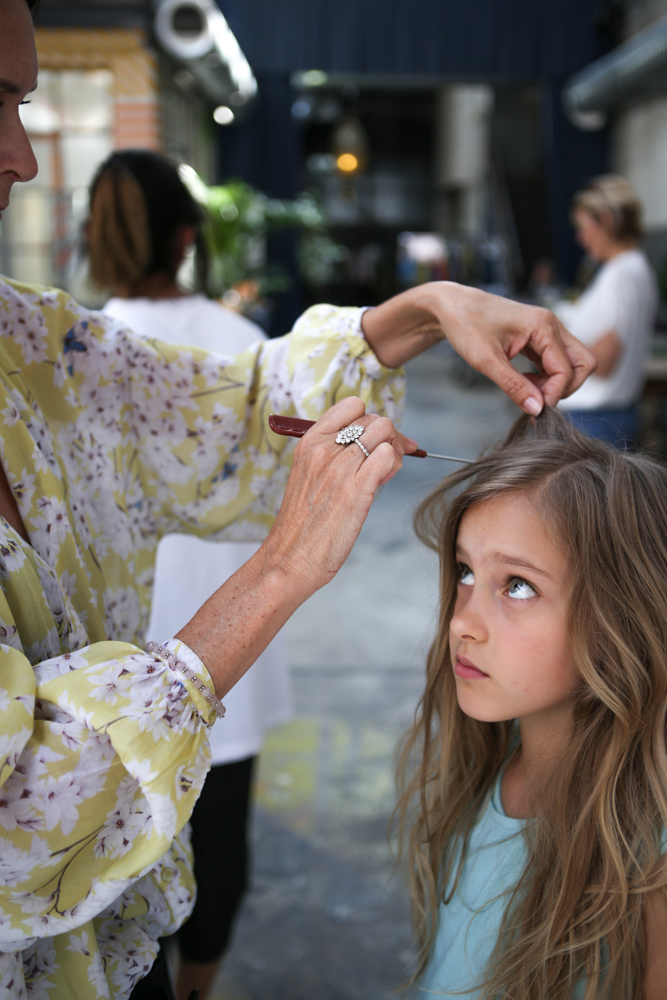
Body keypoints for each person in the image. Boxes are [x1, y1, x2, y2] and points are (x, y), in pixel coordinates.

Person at [0, 0, 596, 995]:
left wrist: (420, 311)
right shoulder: (462, 809)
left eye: (520, 585)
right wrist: (278, 571)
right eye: (460, 573)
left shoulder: (28, 346)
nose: (20, 157)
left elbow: (227, 416)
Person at [87, 148, 291, 1000]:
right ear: (186, 237)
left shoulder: (72, 348)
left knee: (119, 853)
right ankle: (199, 989)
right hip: (230, 643)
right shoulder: (243, 348)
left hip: (115, 659)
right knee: (220, 848)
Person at [396, 407, 667, 999]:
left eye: (518, 586)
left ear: (619, 617)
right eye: (465, 572)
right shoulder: (481, 765)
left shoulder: (650, 861)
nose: (463, 621)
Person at [555, 175, 659, 448]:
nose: (581, 238)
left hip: (593, 421)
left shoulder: (621, 273)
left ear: (606, 220)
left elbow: (603, 359)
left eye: (583, 227)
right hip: (606, 417)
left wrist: (554, 340)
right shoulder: (636, 268)